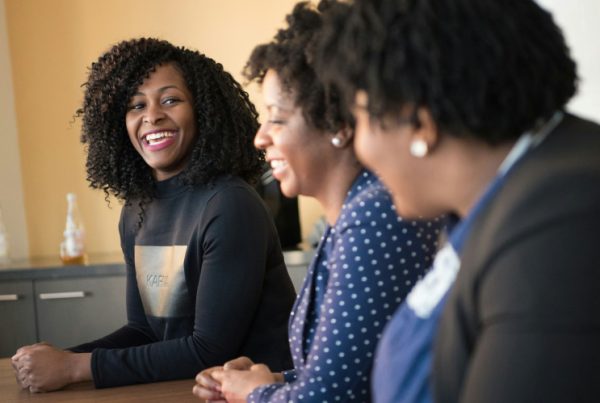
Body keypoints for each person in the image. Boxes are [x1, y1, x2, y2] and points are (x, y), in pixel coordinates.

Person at [316, 0, 600, 402]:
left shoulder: (559, 221)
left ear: (419, 122)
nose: (359, 149)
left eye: (359, 118)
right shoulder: (514, 195)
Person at [11, 38, 296, 392]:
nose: (152, 116)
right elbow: (144, 331)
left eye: (171, 100)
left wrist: (74, 367)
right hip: (180, 389)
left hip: (258, 395)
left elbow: (208, 349)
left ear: (203, 111)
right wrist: (61, 358)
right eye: (135, 105)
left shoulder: (229, 204)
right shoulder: (136, 210)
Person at [192, 2, 444, 402]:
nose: (260, 138)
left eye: (276, 118)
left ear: (337, 123)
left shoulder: (375, 214)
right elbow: (355, 370)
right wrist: (276, 380)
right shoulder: (352, 214)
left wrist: (257, 394)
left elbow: (329, 399)